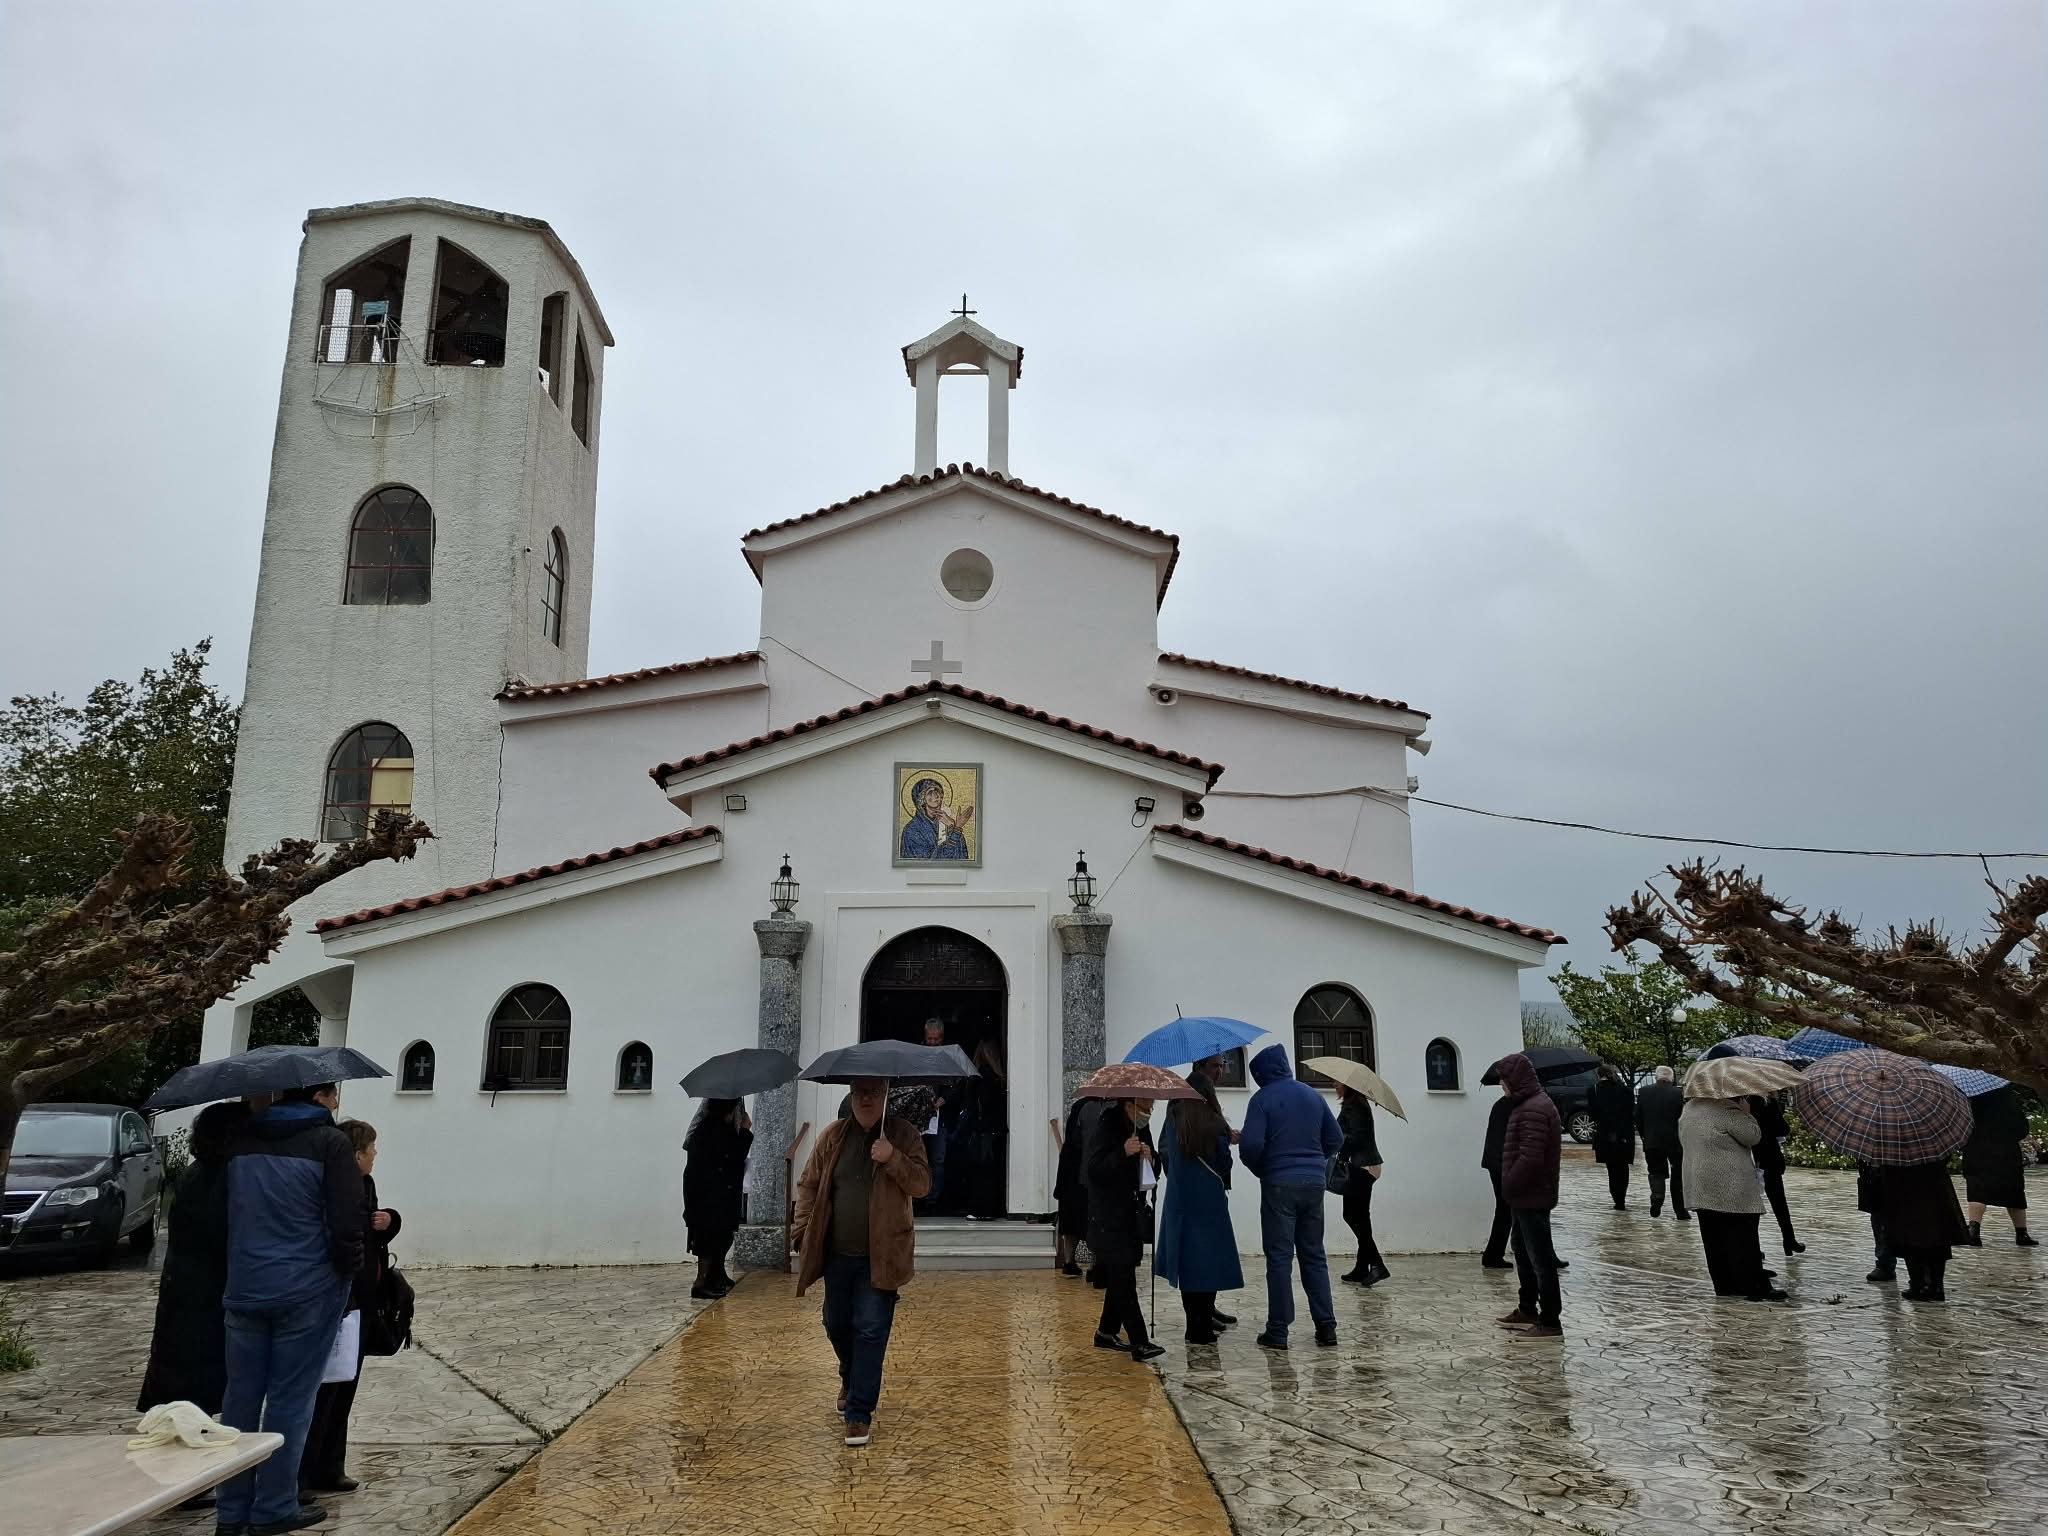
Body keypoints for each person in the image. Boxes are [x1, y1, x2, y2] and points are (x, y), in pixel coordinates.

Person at [215, 1083, 366, 1535]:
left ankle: (231, 1509)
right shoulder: (330, 1143)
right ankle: (273, 1506)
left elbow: (229, 1209)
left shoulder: (241, 1140)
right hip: (307, 1287)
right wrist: (348, 1270)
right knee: (291, 1399)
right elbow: (347, 1218)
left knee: (239, 1399)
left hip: (245, 1284)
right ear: (319, 1095)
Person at [790, 1076, 931, 1448]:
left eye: (875, 1092)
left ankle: (859, 1413)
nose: (866, 1099)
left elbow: (922, 1185)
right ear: (851, 1096)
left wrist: (893, 1159)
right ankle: (850, 1375)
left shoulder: (903, 1135)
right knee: (835, 1322)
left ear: (886, 1096)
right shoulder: (833, 1136)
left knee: (869, 1328)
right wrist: (802, 1229)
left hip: (881, 1256)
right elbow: (808, 1184)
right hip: (837, 1253)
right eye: (860, 1092)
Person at [301, 1119, 401, 1498]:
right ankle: (306, 1470)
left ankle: (331, 1467)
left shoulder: (365, 1184)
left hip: (361, 1301)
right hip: (339, 1299)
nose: (376, 1155)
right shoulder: (331, 1186)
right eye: (371, 1149)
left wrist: (389, 1221)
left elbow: (370, 1233)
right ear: (356, 1153)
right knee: (324, 1389)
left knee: (345, 1385)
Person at [137, 1102, 249, 1422]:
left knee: (182, 1359)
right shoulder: (226, 1175)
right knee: (200, 1367)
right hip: (209, 1285)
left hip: (184, 1281)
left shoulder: (196, 1171)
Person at [1239, 1045, 1342, 1350]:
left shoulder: (1262, 1100)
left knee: (1280, 1257)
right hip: (1314, 1185)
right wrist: (1314, 1163)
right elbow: (1335, 1139)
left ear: (1261, 1074)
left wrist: (1264, 1169)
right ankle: (1326, 1328)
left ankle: (1278, 1330)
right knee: (1314, 1255)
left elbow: (1250, 1146)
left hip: (1279, 1185)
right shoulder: (1312, 1095)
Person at [1157, 1080, 1242, 1344]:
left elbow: (1166, 1154)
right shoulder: (1213, 1121)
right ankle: (1203, 1325)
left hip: (1181, 1198)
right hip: (1209, 1199)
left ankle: (1193, 1324)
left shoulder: (1174, 1115)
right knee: (1208, 1261)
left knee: (1189, 1263)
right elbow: (1224, 1163)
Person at [1679, 1095, 1785, 1302]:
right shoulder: (1728, 1111)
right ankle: (1755, 1286)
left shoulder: (1690, 1108)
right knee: (1744, 1237)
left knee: (1713, 1239)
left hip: (1700, 1183)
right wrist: (1746, 1113)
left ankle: (1725, 1285)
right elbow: (1752, 1136)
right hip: (1730, 1186)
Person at [1083, 1094, 1165, 1362]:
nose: (1149, 1113)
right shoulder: (1108, 1124)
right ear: (1129, 1104)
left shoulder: (1141, 1127)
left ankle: (1106, 1332)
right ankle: (1140, 1342)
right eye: (1146, 1107)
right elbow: (1093, 1169)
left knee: (1124, 1271)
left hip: (1132, 1213)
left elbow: (1154, 1169)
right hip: (1109, 1215)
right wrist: (1122, 1153)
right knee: (1123, 1277)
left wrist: (1151, 1159)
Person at [1493, 1054, 1565, 1338]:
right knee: (1523, 1251)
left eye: (1504, 1079)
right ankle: (1527, 1307)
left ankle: (1550, 1320)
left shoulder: (1533, 1109)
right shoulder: (1526, 1105)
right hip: (1524, 1195)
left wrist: (1509, 1184)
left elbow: (1531, 1158)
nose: (1501, 1084)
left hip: (1532, 1194)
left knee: (1541, 1258)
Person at [683, 1097, 753, 1297]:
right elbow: (732, 1155)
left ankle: (717, 1275)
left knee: (722, 1236)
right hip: (708, 1198)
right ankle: (702, 1282)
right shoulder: (712, 1131)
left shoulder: (713, 1129)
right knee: (707, 1240)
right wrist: (746, 1130)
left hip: (715, 1196)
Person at [1882, 1158, 1970, 1301]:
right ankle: (1936, 1286)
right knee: (1937, 1234)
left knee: (1910, 1235)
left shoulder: (1892, 1141)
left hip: (1904, 1186)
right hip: (1934, 1183)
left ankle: (1919, 1285)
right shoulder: (1932, 1138)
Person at [1961, 1085, 2036, 1247]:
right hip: (2006, 1152)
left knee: (1977, 1190)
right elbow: (2022, 1129)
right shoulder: (2007, 1101)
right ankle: (2021, 1233)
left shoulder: (1968, 1100)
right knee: (2014, 1192)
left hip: (1977, 1150)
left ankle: (1973, 1231)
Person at [1335, 1085, 1387, 1285]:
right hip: (1364, 1164)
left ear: (1347, 1085)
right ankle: (1362, 1267)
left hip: (1362, 1166)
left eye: (1336, 1082)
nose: (1333, 1085)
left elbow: (1354, 1137)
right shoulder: (1355, 1104)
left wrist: (1338, 1144)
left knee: (1353, 1215)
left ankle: (1377, 1264)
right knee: (1359, 1217)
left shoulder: (1354, 1106)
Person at [1748, 1095, 1804, 1255]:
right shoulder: (1766, 1101)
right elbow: (1782, 1129)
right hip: (1769, 1158)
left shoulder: (1741, 1101)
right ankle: (1789, 1239)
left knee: (1753, 1206)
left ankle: (1755, 1248)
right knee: (1779, 1203)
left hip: (1751, 1158)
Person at [1636, 1066, 1689, 1221]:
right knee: (1677, 1175)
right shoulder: (1678, 1094)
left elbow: (1638, 1116)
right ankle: (1680, 1210)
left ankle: (1657, 1196)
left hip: (1652, 1141)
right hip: (1675, 1142)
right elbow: (1684, 1119)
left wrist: (1645, 1136)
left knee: (1655, 1171)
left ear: (1656, 1077)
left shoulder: (1644, 1092)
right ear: (1671, 1078)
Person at [1053, 1093, 1097, 1276]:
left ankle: (1070, 1261)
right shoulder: (1098, 1109)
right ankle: (1096, 1265)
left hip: (1069, 1174)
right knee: (1093, 1220)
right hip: (1088, 1175)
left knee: (1070, 1221)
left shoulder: (1079, 1106)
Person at [1589, 1065, 1636, 1210]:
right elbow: (1631, 1112)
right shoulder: (1625, 1090)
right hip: (1624, 1134)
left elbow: (1592, 1115)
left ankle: (1617, 1198)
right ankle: (1621, 1197)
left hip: (1605, 1134)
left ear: (1599, 1075)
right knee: (1622, 1167)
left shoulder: (1593, 1091)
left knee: (1611, 1168)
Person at [1479, 1090, 1515, 1269]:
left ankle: (1493, 1253)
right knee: (1507, 1210)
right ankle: (1493, 1254)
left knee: (1505, 1210)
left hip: (1499, 1163)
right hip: (1503, 1165)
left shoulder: (1503, 1104)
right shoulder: (1510, 1106)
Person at [919, 1018, 951, 1210]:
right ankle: (918, 1195)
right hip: (919, 1113)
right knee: (918, 1156)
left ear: (942, 1038)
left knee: (938, 1158)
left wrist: (943, 1099)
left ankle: (934, 1199)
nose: (932, 1042)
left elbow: (956, 1083)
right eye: (929, 1039)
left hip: (940, 1116)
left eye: (936, 1039)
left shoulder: (949, 1056)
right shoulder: (916, 1054)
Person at [898, 776, 972, 860]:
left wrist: (952, 826)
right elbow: (932, 861)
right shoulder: (912, 830)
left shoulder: (946, 821)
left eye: (938, 792)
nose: (936, 796)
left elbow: (962, 855)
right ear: (921, 799)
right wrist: (957, 828)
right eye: (930, 792)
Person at [1858, 1160, 1895, 1284]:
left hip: (1908, 1172)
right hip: (1878, 1174)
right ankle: (1884, 1265)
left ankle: (1921, 1273)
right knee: (1879, 1221)